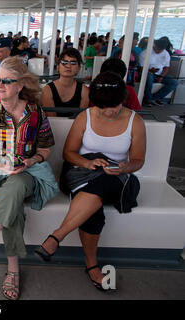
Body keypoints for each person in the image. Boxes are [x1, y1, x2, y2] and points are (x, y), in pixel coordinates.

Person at [35, 71, 146, 291]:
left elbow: (138, 160)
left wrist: (125, 166)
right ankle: (91, 266)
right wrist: (88, 164)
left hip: (115, 177)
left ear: (122, 100)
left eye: (113, 106)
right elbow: (69, 153)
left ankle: (57, 236)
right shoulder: (85, 117)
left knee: (103, 182)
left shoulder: (135, 121)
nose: (109, 112)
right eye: (103, 107)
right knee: (95, 204)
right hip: (81, 174)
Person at [0, 56, 57, 300]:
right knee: (11, 195)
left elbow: (45, 150)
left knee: (16, 183)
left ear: (20, 85)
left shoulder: (35, 113)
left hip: (26, 173)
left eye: (7, 81)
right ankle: (13, 270)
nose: (0, 85)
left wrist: (29, 161)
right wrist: (1, 164)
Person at [41, 48, 90, 117]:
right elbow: (51, 119)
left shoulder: (84, 91)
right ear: (58, 67)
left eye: (73, 63)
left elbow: (81, 119)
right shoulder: (47, 90)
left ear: (79, 68)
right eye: (64, 63)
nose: (68, 66)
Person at [139, 38, 178, 107]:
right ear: (154, 45)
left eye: (161, 49)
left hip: (159, 74)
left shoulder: (166, 54)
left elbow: (166, 67)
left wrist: (161, 76)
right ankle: (147, 99)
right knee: (149, 76)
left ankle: (156, 97)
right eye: (157, 48)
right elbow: (141, 68)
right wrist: (150, 70)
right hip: (147, 73)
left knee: (174, 82)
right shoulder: (145, 53)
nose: (158, 51)